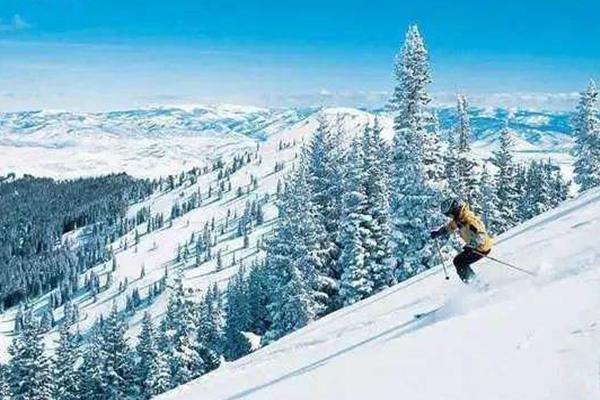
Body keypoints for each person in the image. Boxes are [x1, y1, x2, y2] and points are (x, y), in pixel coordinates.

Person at [430, 198, 493, 283]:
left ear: (455, 210)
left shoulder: (469, 220)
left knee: (459, 261)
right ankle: (474, 282)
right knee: (460, 262)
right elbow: (450, 227)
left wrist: (471, 245)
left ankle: (474, 283)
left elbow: (481, 235)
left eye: (450, 214)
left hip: (481, 247)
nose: (450, 216)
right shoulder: (460, 219)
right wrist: (438, 233)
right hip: (476, 247)